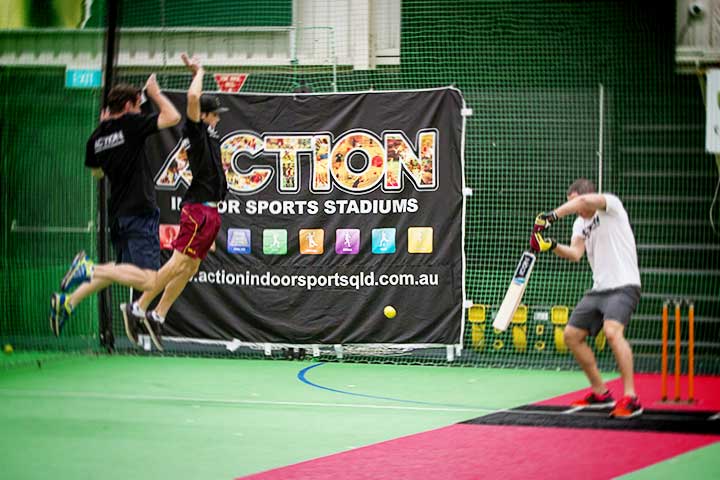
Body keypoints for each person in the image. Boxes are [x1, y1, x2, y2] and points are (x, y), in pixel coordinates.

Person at [50, 75, 181, 342]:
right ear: (130, 105)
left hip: (118, 215)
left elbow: (97, 173)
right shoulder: (130, 124)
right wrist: (155, 94)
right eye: (138, 104)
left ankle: (68, 301)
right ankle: (87, 268)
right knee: (147, 279)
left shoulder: (96, 137)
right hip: (139, 212)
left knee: (119, 270)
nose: (139, 109)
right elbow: (172, 117)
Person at [122, 53, 228, 351]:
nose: (218, 117)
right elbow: (193, 97)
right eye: (214, 113)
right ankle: (138, 306)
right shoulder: (195, 132)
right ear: (204, 115)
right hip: (197, 211)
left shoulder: (211, 137)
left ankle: (158, 314)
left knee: (190, 268)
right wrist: (199, 71)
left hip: (210, 214)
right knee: (178, 262)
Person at [531, 178, 643, 418]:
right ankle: (600, 393)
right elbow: (575, 254)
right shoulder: (579, 225)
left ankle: (631, 398)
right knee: (571, 336)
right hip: (598, 289)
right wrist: (550, 245)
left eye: (573, 204)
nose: (574, 209)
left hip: (624, 285)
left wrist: (551, 217)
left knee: (613, 332)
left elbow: (582, 201)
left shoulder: (610, 205)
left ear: (587, 197)